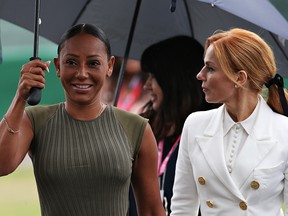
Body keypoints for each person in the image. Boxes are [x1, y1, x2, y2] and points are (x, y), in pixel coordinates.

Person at [0, 23, 165, 216]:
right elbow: (3, 165)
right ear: (57, 66)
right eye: (71, 62)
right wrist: (20, 97)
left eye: (93, 63)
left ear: (109, 66)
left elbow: (152, 210)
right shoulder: (35, 120)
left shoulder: (136, 128)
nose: (82, 73)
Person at [170, 28, 288, 216]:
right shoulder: (195, 125)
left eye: (210, 68)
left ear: (239, 78)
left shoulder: (284, 131)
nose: (199, 75)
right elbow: (182, 208)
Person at [130, 35, 217, 216]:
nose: (146, 85)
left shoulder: (211, 134)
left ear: (174, 80)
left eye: (153, 77)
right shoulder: (142, 129)